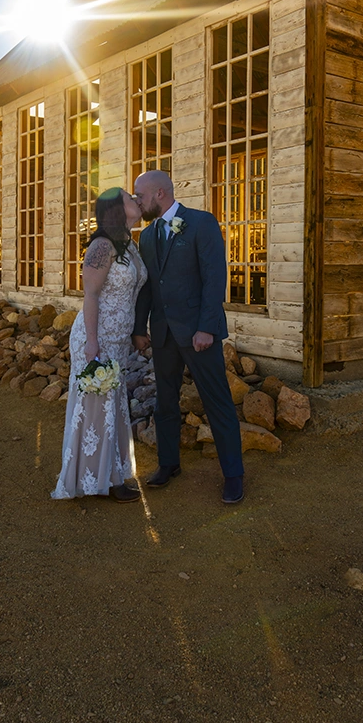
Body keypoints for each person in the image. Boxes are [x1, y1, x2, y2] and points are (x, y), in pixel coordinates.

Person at [132, 171, 244, 504]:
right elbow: (149, 287)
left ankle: (234, 476)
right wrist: (140, 328)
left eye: (141, 195)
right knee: (164, 402)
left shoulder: (201, 223)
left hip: (199, 333)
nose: (138, 201)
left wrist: (207, 327)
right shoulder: (147, 237)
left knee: (217, 402)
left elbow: (214, 277)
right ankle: (168, 464)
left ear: (160, 193)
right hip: (164, 333)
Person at [51, 188, 147, 502]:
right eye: (130, 197)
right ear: (118, 209)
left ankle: (112, 474)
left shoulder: (129, 244)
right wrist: (92, 342)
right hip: (97, 338)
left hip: (118, 340)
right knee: (96, 408)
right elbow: (90, 295)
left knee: (113, 406)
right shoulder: (102, 245)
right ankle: (96, 480)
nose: (136, 199)